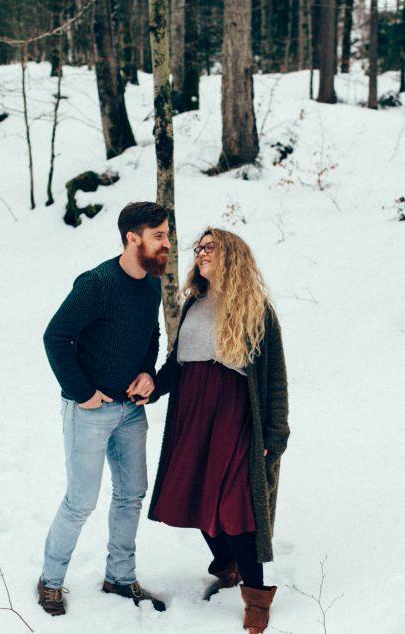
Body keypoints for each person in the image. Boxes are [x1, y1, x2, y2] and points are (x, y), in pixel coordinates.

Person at [148, 228, 290, 634]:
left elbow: (275, 379)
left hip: (235, 417)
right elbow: (177, 365)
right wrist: (153, 387)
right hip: (192, 416)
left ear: (230, 253)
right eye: (198, 249)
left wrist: (275, 435)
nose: (200, 253)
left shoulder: (256, 309)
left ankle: (257, 597)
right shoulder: (193, 304)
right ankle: (227, 566)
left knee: (236, 505)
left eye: (208, 247)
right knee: (193, 494)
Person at [38, 202, 170, 616]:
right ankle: (51, 581)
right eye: (159, 235)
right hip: (90, 410)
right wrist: (82, 393)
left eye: (167, 234)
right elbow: (56, 337)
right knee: (80, 501)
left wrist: (148, 372)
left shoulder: (151, 284)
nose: (167, 243)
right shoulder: (97, 284)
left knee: (131, 495)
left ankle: (120, 578)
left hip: (131, 411)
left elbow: (153, 335)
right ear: (133, 239)